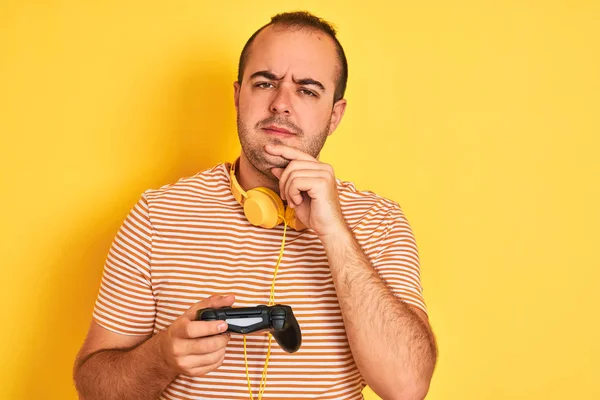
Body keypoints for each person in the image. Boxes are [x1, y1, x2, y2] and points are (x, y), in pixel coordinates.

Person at [73, 10, 437, 400]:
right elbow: (93, 387)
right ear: (237, 96)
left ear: (334, 116)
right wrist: (161, 357)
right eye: (265, 83)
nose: (281, 103)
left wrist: (336, 233)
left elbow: (408, 388)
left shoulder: (379, 222)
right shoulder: (156, 215)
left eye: (308, 90)